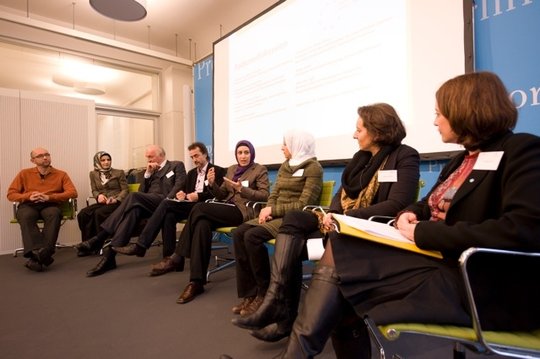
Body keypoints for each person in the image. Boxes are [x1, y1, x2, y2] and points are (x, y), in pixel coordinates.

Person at [272, 72, 540, 359]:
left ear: (464, 111)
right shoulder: (461, 159)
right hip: (435, 260)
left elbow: (524, 230)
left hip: (480, 280)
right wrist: (411, 213)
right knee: (344, 268)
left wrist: (424, 232)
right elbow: (427, 203)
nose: (435, 121)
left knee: (343, 267)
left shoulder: (522, 150)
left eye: (439, 114)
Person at [232, 103, 421, 347]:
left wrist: (345, 218)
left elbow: (397, 203)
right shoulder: (361, 159)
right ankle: (276, 304)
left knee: (290, 248)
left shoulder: (405, 156)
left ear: (377, 131)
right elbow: (341, 197)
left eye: (359, 130)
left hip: (368, 230)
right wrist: (332, 215)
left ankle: (284, 317)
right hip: (340, 224)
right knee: (294, 221)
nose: (354, 135)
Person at [163, 140, 269, 304]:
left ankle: (178, 255)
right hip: (225, 206)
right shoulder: (232, 169)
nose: (243, 156)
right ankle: (196, 282)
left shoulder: (259, 170)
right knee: (201, 224)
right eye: (240, 152)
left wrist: (243, 189)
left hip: (243, 211)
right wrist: (212, 185)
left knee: (199, 208)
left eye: (246, 152)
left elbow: (264, 196)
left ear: (252, 154)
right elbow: (221, 195)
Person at [231, 129, 323, 318]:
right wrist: (267, 210)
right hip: (275, 214)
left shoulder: (313, 167)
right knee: (239, 232)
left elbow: (305, 204)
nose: (282, 148)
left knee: (252, 236)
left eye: (285, 144)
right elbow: (273, 194)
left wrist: (273, 211)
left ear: (296, 145)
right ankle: (250, 293)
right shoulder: (285, 166)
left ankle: (264, 293)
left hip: (293, 218)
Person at [76, 145, 186, 277]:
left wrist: (166, 202)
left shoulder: (176, 165)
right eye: (147, 157)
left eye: (150, 156)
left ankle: (100, 237)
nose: (148, 159)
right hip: (149, 204)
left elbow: (179, 185)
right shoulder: (150, 171)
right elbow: (141, 193)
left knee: (132, 197)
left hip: (165, 202)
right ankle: (109, 258)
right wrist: (147, 175)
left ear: (160, 156)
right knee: (132, 212)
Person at [112, 142, 226, 269]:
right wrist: (182, 194)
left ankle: (141, 245)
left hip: (206, 207)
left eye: (197, 156)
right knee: (169, 214)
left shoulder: (219, 171)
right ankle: (169, 258)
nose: (194, 159)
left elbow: (219, 195)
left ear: (205, 154)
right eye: (192, 157)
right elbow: (185, 191)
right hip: (190, 205)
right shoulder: (192, 173)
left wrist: (199, 196)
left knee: (166, 204)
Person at [7, 147, 78, 271]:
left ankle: (36, 257)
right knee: (26, 215)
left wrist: (49, 197)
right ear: (32, 160)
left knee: (54, 214)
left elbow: (72, 193)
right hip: (29, 204)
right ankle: (43, 255)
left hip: (50, 204)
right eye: (40, 156)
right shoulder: (24, 173)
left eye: (47, 154)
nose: (45, 157)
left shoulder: (61, 174)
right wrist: (28, 196)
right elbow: (11, 194)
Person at [76, 151, 128, 245]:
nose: (106, 162)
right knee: (83, 214)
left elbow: (125, 190)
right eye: (103, 160)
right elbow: (94, 190)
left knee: (98, 213)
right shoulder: (93, 174)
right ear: (98, 161)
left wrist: (117, 199)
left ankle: (98, 243)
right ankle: (86, 243)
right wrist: (98, 196)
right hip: (102, 202)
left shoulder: (119, 172)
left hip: (116, 202)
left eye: (108, 160)